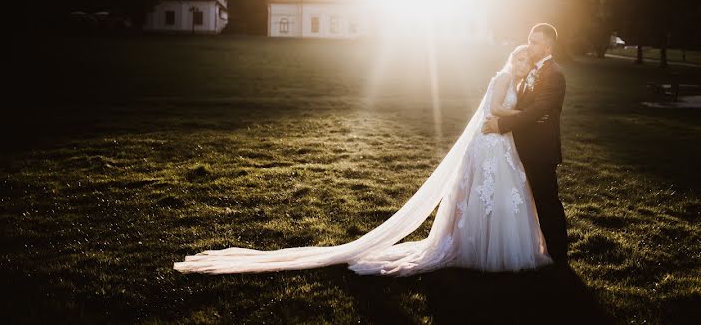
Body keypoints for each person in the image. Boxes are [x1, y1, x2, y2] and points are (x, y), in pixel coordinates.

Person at [173, 41, 554, 275]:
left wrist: (517, 117)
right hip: (490, 142)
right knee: (487, 194)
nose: (521, 65)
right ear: (512, 60)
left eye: (525, 61)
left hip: (501, 145)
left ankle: (493, 247)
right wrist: (517, 117)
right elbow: (492, 109)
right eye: (518, 59)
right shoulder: (503, 79)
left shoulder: (518, 82)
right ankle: (478, 249)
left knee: (501, 196)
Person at [482, 22, 568, 264]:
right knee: (528, 200)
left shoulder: (554, 74)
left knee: (547, 200)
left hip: (541, 150)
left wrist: (501, 125)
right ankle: (535, 245)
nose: (529, 46)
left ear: (547, 46)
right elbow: (525, 108)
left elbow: (538, 110)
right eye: (529, 40)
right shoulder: (535, 70)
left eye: (534, 42)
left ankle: (559, 255)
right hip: (525, 146)